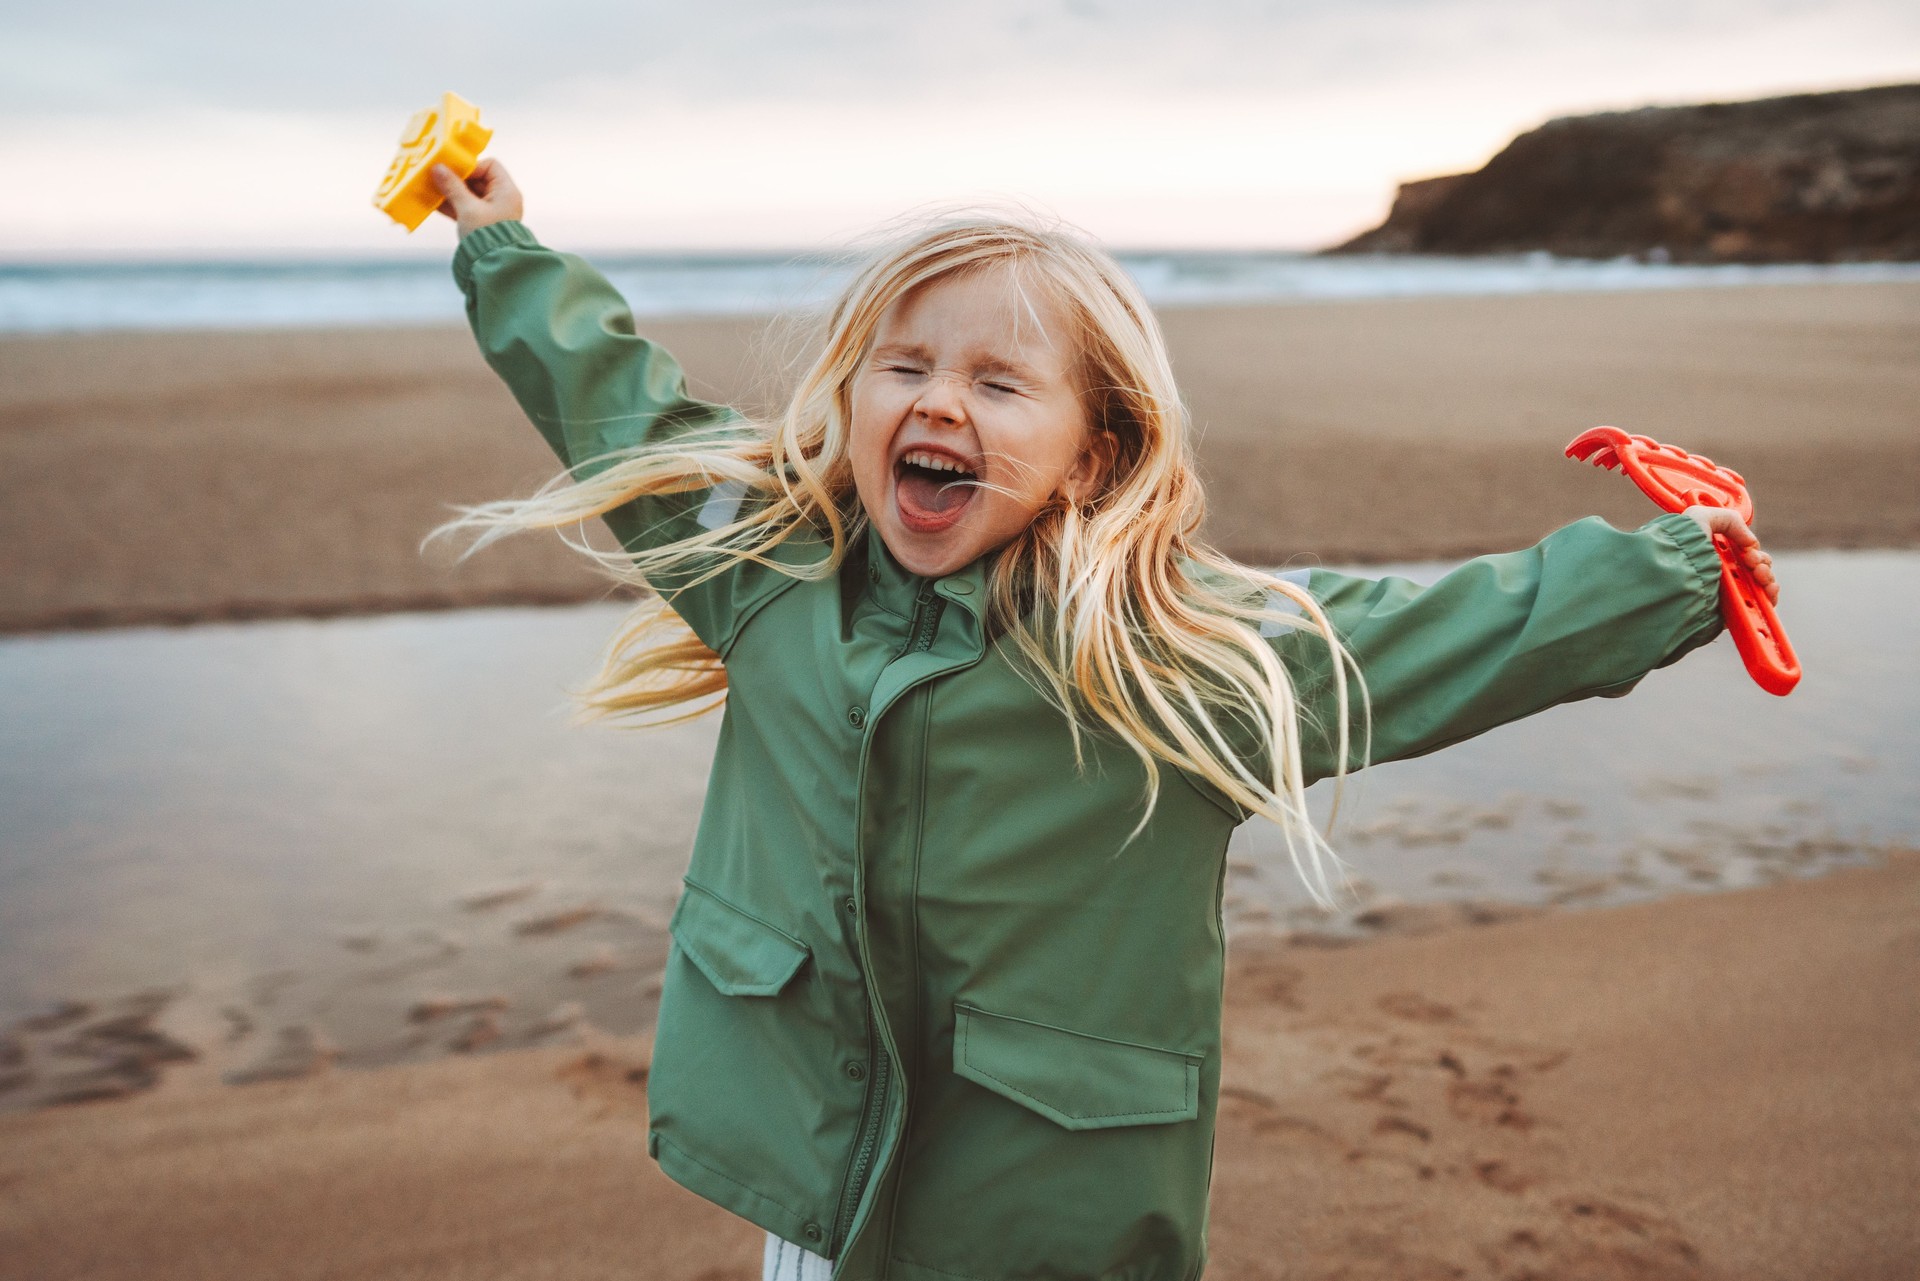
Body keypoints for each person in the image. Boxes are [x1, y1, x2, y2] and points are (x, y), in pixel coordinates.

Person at [426, 160, 1779, 1281]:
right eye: (903, 365)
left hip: (1040, 1219)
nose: (940, 399)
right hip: (824, 1195)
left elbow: (1427, 638)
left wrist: (1673, 570)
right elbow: (622, 412)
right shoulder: (772, 577)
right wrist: (501, 246)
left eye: (1000, 383)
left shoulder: (1169, 657)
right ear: (851, 399)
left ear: (1094, 449)